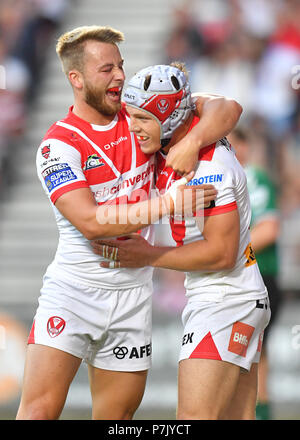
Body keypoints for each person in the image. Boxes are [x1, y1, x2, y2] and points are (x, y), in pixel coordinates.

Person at [16, 25, 242, 420]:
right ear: (76, 78)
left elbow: (227, 107)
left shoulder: (140, 116)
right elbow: (90, 222)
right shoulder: (58, 145)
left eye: (120, 66)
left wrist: (190, 141)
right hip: (74, 292)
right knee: (39, 412)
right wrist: (167, 205)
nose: (120, 75)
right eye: (106, 69)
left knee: (117, 420)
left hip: (133, 297)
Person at [92, 62, 271, 420]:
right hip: (232, 296)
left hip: (225, 299)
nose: (134, 127)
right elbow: (223, 107)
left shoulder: (208, 168)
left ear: (169, 116)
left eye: (143, 118)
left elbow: (220, 254)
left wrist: (147, 255)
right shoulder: (183, 138)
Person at [229, 127, 281, 420]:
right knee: (247, 349)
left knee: (255, 349)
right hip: (238, 276)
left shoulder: (253, 178)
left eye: (231, 145)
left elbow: (269, 230)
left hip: (259, 275)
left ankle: (260, 413)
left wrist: (224, 250)